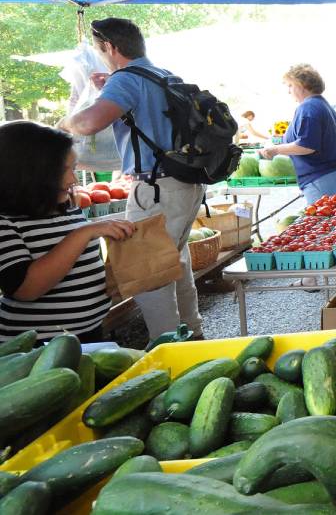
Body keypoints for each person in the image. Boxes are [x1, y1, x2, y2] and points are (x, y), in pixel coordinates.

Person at [61, 18, 206, 339]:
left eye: (100, 50)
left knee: (149, 271)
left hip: (155, 187)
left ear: (110, 47)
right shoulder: (162, 74)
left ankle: (167, 344)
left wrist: (67, 121)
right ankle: (192, 335)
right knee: (175, 261)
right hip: (186, 183)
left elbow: (89, 123)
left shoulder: (126, 79)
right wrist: (110, 86)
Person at [0, 122, 135, 342]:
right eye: (66, 170)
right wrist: (83, 233)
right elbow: (27, 289)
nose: (73, 180)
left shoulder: (67, 209)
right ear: (29, 173)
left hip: (89, 330)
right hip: (39, 346)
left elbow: (81, 264)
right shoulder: (5, 223)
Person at [259, 65, 336, 289]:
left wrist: (276, 150)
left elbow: (307, 146)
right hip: (331, 174)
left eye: (290, 86)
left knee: (324, 228)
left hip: (322, 177)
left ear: (302, 85)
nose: (289, 91)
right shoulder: (321, 105)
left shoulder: (309, 108)